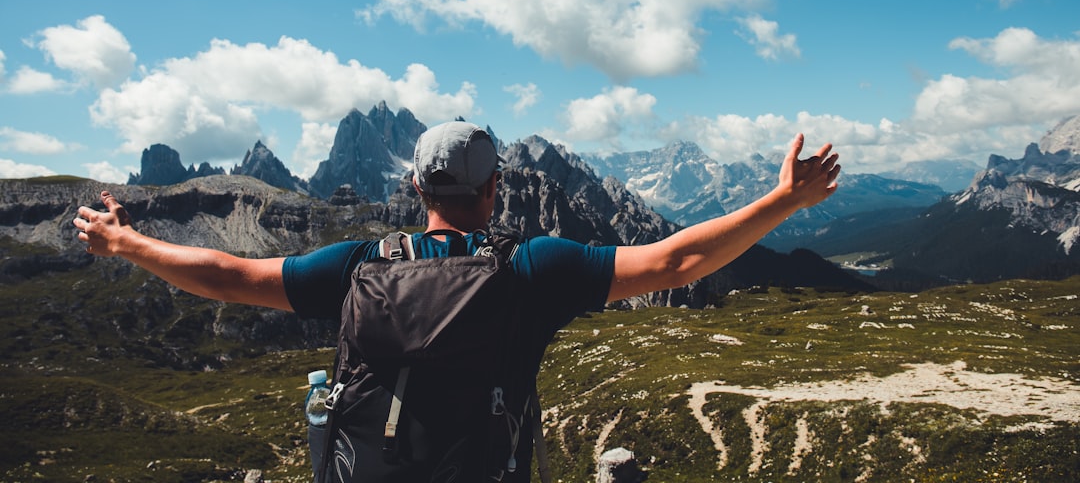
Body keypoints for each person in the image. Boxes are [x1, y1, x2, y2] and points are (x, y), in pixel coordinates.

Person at [73, 121, 840, 479]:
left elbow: (228, 274)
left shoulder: (359, 264)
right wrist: (782, 201)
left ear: (413, 189)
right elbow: (679, 260)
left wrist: (127, 243)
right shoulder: (533, 266)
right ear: (494, 190)